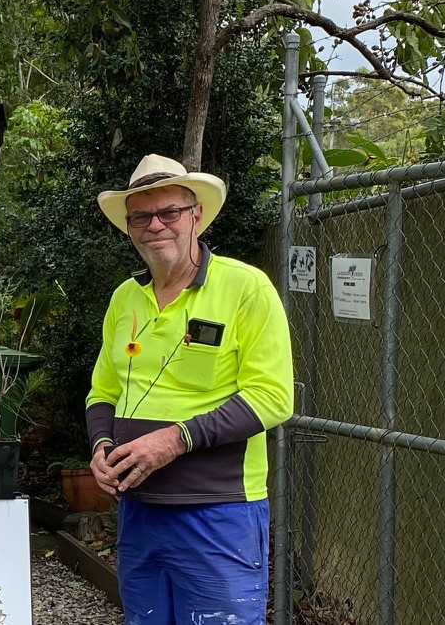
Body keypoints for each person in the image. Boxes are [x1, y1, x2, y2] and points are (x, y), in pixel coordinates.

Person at [86, 154, 293, 625]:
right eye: (141, 216)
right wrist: (100, 444)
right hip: (138, 512)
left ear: (196, 215)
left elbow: (272, 396)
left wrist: (172, 441)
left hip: (218, 513)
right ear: (130, 227)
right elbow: (102, 390)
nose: (155, 225)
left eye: (169, 213)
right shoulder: (125, 297)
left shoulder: (246, 288)